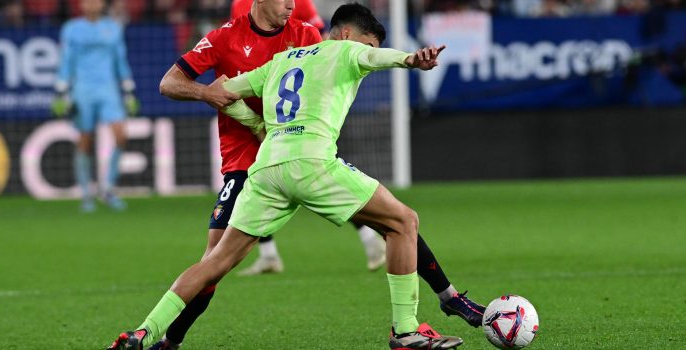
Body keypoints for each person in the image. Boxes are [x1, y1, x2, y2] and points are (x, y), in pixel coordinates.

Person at [107, 4, 481, 350]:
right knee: (403, 221)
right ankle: (406, 331)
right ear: (348, 35)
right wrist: (410, 59)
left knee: (215, 261)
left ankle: (144, 331)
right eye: (365, 42)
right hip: (311, 162)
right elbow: (373, 56)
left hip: (267, 167)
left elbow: (223, 92)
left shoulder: (282, 59)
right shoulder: (345, 49)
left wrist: (254, 122)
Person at [228, 0, 385, 277]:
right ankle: (268, 254)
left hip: (298, 93)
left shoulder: (297, 2)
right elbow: (240, 42)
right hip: (264, 90)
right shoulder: (241, 5)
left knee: (309, 173)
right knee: (257, 176)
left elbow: (319, 37)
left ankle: (370, 238)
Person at [52, 0, 139, 212]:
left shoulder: (113, 27)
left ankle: (107, 188)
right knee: (85, 140)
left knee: (120, 135)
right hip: (82, 90)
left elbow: (120, 59)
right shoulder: (71, 29)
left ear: (102, 4)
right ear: (81, 5)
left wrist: (127, 90)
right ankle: (86, 195)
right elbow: (67, 60)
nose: (92, 4)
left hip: (108, 90)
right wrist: (62, 90)